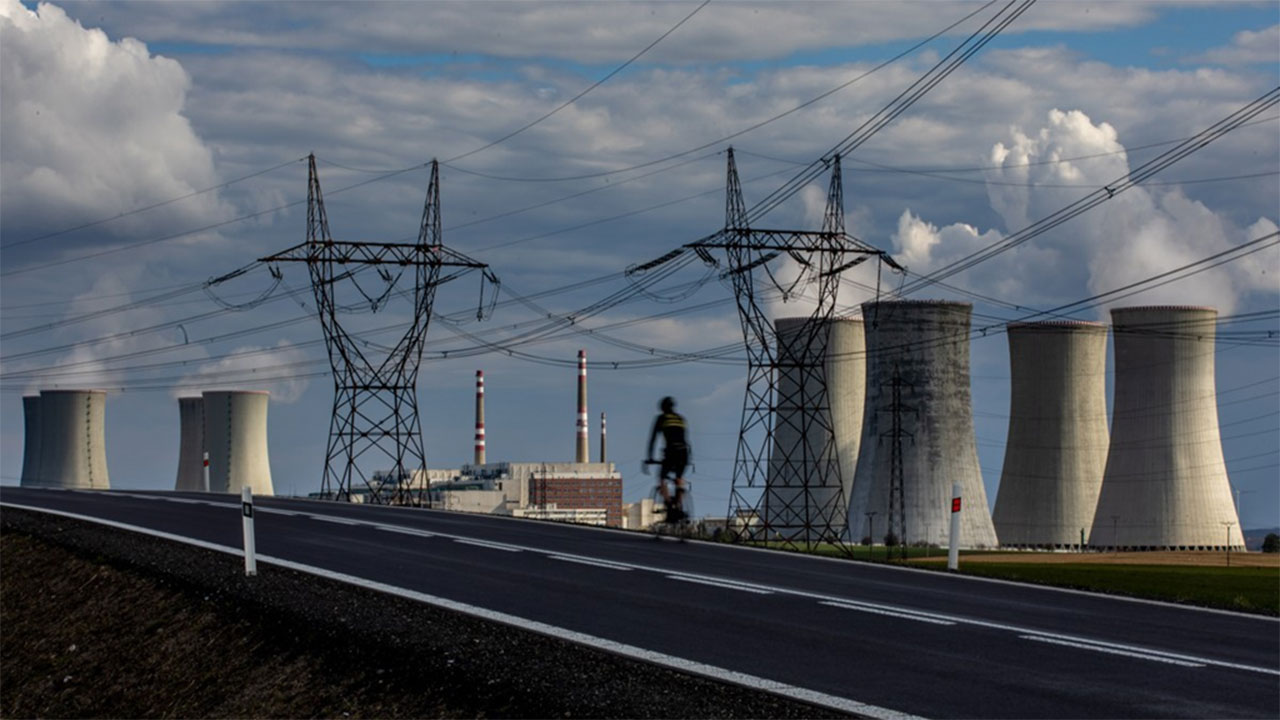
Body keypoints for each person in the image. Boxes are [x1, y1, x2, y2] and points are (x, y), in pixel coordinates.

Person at [647, 396, 691, 523]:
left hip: (671, 452)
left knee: (662, 478)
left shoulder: (662, 418)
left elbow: (653, 439)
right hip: (684, 453)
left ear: (663, 408)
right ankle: (678, 506)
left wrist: (649, 458)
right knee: (679, 478)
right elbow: (685, 439)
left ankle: (669, 505)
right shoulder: (681, 419)